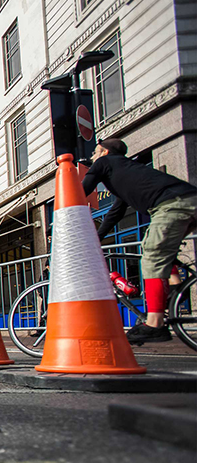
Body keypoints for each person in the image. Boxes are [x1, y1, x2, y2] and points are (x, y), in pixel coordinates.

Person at [82, 138, 197, 344]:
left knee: (152, 255)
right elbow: (115, 213)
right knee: (154, 247)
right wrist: (97, 238)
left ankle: (155, 324)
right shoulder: (126, 174)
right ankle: (176, 288)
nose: (92, 157)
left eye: (95, 152)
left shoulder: (104, 163)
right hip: (189, 199)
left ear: (105, 153)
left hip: (172, 205)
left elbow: (82, 191)